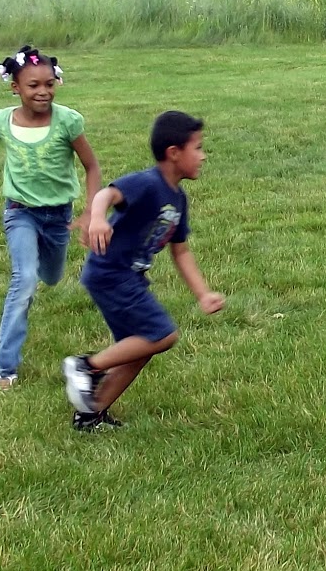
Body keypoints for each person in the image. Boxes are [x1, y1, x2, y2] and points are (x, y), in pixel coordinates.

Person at [0, 45, 102, 391]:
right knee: (24, 280)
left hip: (58, 216)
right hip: (20, 212)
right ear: (15, 87)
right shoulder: (2, 120)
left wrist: (90, 211)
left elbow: (91, 165)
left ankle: (41, 266)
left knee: (51, 276)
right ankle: (5, 369)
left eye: (49, 84)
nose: (42, 92)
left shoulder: (68, 121)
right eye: (33, 86)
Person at [61, 111, 224, 432]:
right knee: (162, 335)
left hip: (127, 276)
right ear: (174, 153)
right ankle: (85, 367)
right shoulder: (148, 183)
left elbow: (181, 250)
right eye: (198, 148)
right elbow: (108, 194)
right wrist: (96, 218)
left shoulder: (178, 199)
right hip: (111, 273)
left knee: (136, 350)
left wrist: (203, 294)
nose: (203, 156)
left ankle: (90, 415)